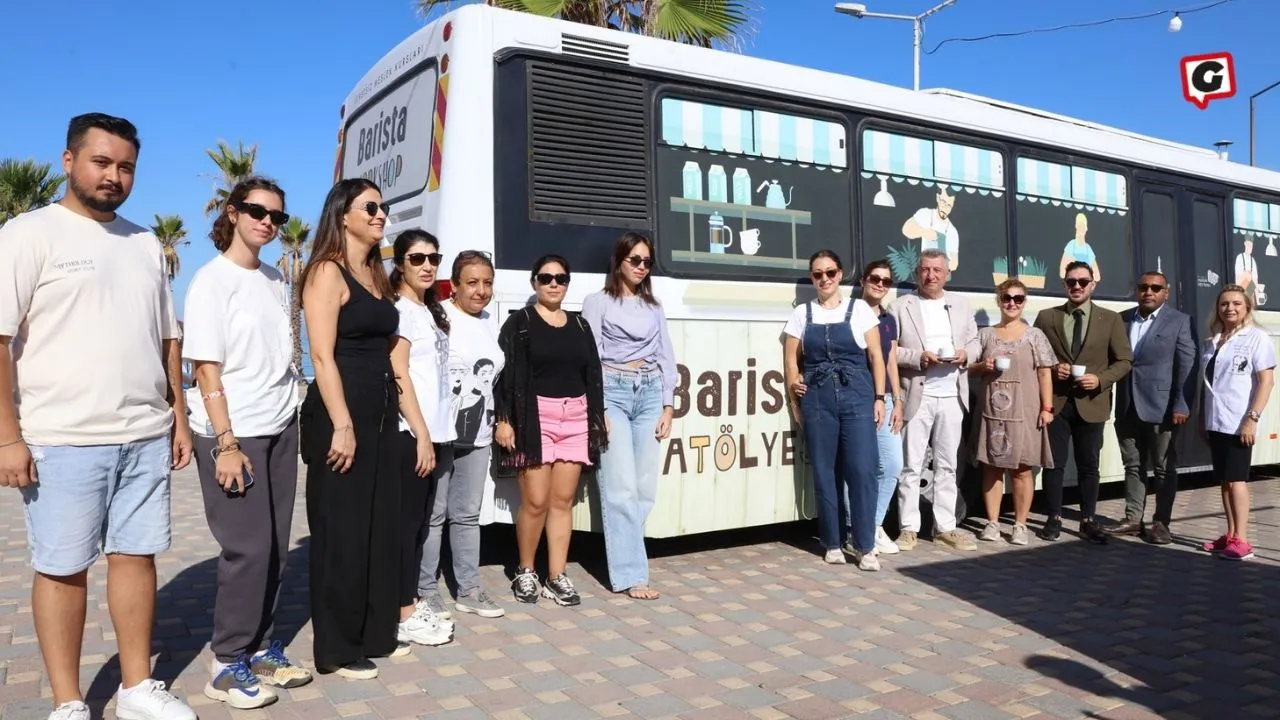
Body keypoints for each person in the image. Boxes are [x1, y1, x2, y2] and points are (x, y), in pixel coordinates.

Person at [0, 113, 197, 720]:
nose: (114, 176)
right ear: (68, 161)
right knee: (62, 569)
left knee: (137, 558)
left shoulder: (143, 243)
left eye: (126, 166)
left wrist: (180, 419)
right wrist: (8, 437)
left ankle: (137, 688)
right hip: (62, 437)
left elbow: (168, 340)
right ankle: (67, 702)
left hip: (143, 433)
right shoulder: (27, 234)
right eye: (102, 162)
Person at [183, 177, 312, 708]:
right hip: (232, 431)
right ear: (232, 212)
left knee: (278, 549)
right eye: (256, 211)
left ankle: (260, 648)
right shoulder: (211, 281)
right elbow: (206, 366)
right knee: (247, 549)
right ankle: (226, 663)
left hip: (280, 425)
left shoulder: (275, 281)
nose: (267, 222)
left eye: (277, 216)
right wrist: (227, 442)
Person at [298, 179, 403, 679]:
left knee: (378, 527)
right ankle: (338, 648)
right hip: (342, 411)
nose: (382, 214)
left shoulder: (375, 272)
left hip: (381, 411)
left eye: (384, 207)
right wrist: (342, 423)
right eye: (372, 207)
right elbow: (321, 354)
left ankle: (376, 633)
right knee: (341, 532)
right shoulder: (326, 271)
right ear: (344, 214)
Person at [497, 255, 608, 605]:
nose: (553, 284)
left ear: (568, 283)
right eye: (546, 278)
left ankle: (557, 576)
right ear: (535, 283)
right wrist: (504, 418)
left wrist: (598, 413)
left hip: (575, 416)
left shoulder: (580, 326)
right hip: (535, 417)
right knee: (535, 501)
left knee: (562, 502)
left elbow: (593, 372)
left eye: (560, 278)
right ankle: (526, 571)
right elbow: (503, 376)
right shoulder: (521, 323)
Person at [582, 233, 677, 601]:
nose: (640, 267)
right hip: (614, 393)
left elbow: (666, 357)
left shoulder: (654, 307)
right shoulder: (598, 303)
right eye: (634, 259)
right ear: (618, 260)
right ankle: (632, 575)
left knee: (644, 488)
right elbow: (591, 358)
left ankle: (626, 554)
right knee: (620, 486)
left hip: (650, 392)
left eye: (646, 262)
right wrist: (599, 406)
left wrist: (668, 405)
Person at [784, 250, 887, 571]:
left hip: (857, 395)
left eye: (830, 272)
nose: (824, 279)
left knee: (861, 470)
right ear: (812, 278)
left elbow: (876, 357)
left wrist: (880, 398)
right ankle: (832, 541)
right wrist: (794, 396)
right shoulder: (802, 313)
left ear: (840, 274)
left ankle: (865, 545)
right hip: (817, 398)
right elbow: (790, 359)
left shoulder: (859, 311)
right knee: (825, 472)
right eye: (817, 274)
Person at [418, 250, 506, 620]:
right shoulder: (438, 316)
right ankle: (425, 590)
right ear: (453, 286)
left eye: (487, 282)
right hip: (441, 431)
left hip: (479, 433)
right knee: (434, 515)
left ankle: (468, 590)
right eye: (471, 282)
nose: (480, 290)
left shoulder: (488, 320)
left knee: (467, 514)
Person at [387, 230, 457, 646]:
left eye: (434, 257)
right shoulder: (401, 311)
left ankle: (409, 601)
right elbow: (399, 375)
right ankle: (403, 611)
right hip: (411, 433)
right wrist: (421, 434)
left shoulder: (427, 309)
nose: (428, 265)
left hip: (433, 431)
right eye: (417, 259)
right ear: (399, 264)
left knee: (418, 527)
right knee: (407, 525)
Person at [1033, 261, 1132, 543]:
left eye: (1082, 281)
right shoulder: (1046, 317)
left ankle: (1088, 519)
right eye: (1071, 281)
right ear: (1064, 284)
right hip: (1057, 401)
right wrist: (1054, 369)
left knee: (1089, 465)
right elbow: (1037, 358)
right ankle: (1053, 518)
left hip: (1093, 401)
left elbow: (1124, 361)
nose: (1077, 286)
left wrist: (1100, 380)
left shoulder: (1110, 319)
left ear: (1093, 284)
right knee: (1054, 464)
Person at [891, 248, 981, 551]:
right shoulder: (901, 306)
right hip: (917, 394)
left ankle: (945, 527)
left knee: (948, 466)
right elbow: (892, 352)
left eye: (937, 270)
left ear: (947, 274)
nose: (931, 275)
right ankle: (908, 528)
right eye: (926, 270)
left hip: (952, 395)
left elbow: (975, 343)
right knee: (910, 466)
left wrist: (966, 354)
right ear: (918, 273)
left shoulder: (961, 305)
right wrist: (920, 357)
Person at [1108, 272, 1197, 544]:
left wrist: (1181, 404)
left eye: (1156, 288)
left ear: (1165, 293)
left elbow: (1187, 365)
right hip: (1127, 404)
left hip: (1162, 406)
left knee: (1163, 468)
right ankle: (1133, 518)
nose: (1149, 292)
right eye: (1144, 287)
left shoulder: (1180, 321)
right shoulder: (1122, 319)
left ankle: (1161, 523)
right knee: (1132, 465)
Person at [968, 279, 1057, 546]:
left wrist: (1047, 408)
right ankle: (993, 523)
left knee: (1022, 469)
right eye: (1007, 298)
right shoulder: (985, 334)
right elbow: (969, 368)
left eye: (1018, 299)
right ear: (999, 301)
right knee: (991, 467)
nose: (1012, 303)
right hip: (992, 412)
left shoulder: (1035, 335)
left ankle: (1020, 525)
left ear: (1024, 302)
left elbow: (1045, 372)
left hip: (1025, 410)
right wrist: (984, 365)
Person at [1199, 285, 1274, 561]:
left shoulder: (1257, 338)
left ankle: (1242, 540)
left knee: (1238, 479)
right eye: (1224, 304)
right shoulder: (1213, 340)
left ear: (1247, 308)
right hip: (1216, 421)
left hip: (1239, 420)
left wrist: (1251, 420)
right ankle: (1230, 535)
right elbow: (1206, 385)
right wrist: (1201, 419)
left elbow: (1266, 382)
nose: (1230, 308)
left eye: (1236, 304)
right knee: (1225, 481)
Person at [840, 260, 904, 556]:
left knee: (891, 465)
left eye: (886, 281)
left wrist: (897, 400)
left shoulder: (889, 320)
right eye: (875, 279)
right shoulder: (846, 312)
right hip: (856, 397)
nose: (880, 284)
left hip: (885, 398)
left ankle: (872, 526)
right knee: (857, 467)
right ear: (863, 281)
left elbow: (890, 359)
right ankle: (857, 531)